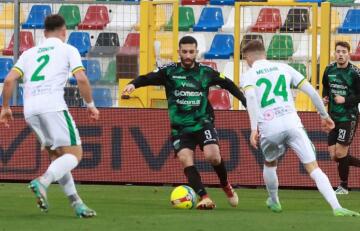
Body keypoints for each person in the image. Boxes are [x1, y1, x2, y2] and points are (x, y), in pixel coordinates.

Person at [122, 35, 246, 209]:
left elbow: (228, 85)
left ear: (196, 52)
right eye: (184, 52)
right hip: (180, 127)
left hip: (202, 122)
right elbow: (147, 77)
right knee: (185, 159)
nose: (188, 55)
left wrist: (246, 102)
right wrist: (133, 84)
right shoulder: (170, 71)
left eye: (191, 52)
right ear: (179, 52)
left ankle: (225, 185)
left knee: (213, 157)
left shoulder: (205, 71)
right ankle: (204, 197)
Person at [240, 40, 359, 216]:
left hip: (269, 126)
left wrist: (253, 129)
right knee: (314, 167)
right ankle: (337, 207)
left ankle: (274, 201)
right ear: (264, 53)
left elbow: (250, 98)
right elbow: (311, 91)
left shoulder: (249, 74)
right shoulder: (283, 68)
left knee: (270, 163)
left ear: (247, 57)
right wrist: (325, 116)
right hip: (292, 123)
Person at [0, 14, 99, 218]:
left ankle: (77, 204)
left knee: (57, 157)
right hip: (53, 106)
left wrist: (6, 107)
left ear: (44, 34)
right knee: (75, 154)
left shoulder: (29, 53)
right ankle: (43, 181)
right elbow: (81, 78)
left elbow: (9, 80)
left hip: (30, 110)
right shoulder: (68, 49)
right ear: (64, 32)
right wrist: (90, 105)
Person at [322, 41, 360, 195]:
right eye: (338, 51)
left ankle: (343, 186)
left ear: (349, 54)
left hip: (348, 117)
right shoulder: (329, 69)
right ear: (334, 53)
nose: (341, 54)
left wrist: (345, 100)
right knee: (334, 155)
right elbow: (326, 86)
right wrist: (325, 97)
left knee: (340, 153)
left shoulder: (355, 73)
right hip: (333, 117)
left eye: (344, 52)